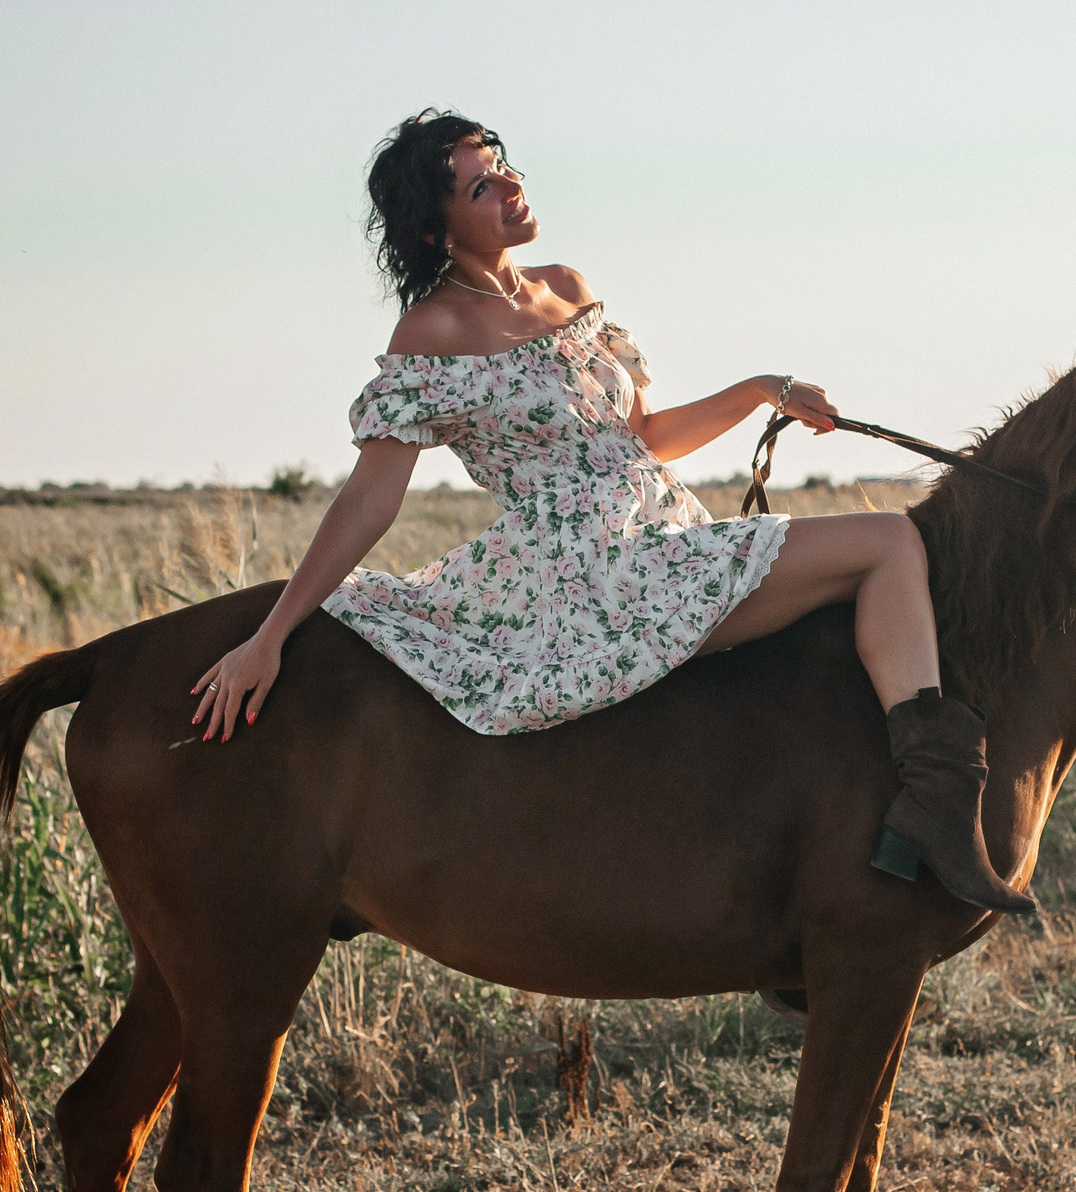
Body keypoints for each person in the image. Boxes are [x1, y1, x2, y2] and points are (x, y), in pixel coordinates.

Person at [190, 110, 1030, 915]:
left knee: (876, 556)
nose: (512, 185)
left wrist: (762, 389)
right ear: (434, 226)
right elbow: (371, 499)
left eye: (502, 163)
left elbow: (646, 437)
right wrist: (269, 636)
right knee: (887, 539)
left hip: (663, 534)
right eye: (482, 185)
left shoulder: (569, 289)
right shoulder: (432, 331)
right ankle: (940, 802)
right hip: (590, 573)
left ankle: (885, 819)